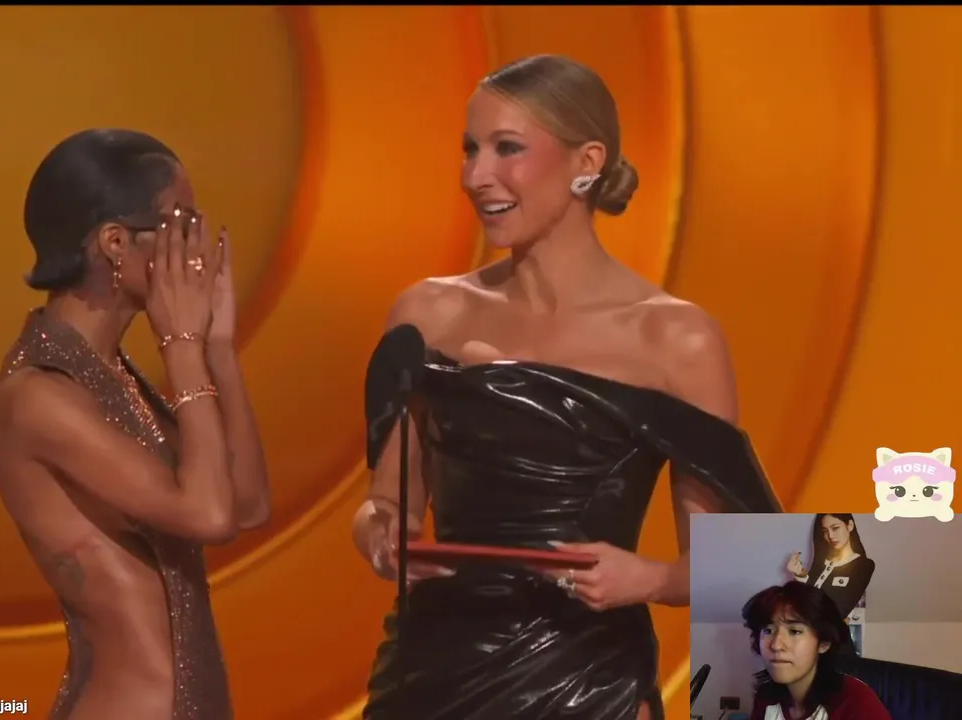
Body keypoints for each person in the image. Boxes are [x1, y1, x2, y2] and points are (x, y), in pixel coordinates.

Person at [351, 54, 783, 720]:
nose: (476, 175)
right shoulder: (427, 314)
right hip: (430, 673)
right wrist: (383, 538)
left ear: (588, 162)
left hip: (587, 679)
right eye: (470, 149)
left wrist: (649, 579)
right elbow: (386, 504)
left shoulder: (674, 338)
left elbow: (728, 563)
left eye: (507, 148)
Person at [0, 129, 271, 720]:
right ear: (116, 242)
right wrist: (182, 343)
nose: (195, 250)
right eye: (180, 225)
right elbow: (208, 515)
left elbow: (246, 505)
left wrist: (218, 348)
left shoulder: (115, 376)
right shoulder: (39, 395)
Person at [742, 581, 891, 719]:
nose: (776, 645)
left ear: (824, 643)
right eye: (768, 631)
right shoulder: (766, 698)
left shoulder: (858, 703)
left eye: (794, 631)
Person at [786, 514, 876, 620]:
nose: (830, 536)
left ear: (850, 525)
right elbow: (798, 601)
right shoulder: (821, 561)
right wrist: (801, 576)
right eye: (825, 531)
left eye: (835, 528)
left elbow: (840, 611)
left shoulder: (864, 566)